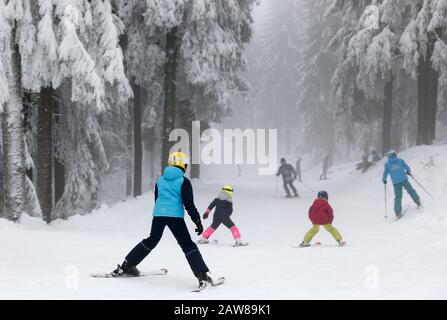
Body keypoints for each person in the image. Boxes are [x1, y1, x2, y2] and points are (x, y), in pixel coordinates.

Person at [112, 152, 214, 287]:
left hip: (159, 215)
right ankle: (201, 274)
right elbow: (189, 204)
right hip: (175, 217)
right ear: (183, 165)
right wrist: (197, 222)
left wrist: (161, 211)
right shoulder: (184, 181)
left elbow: (157, 199)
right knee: (187, 244)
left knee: (151, 240)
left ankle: (127, 265)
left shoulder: (160, 180)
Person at [382, 149, 421, 218]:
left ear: (389, 156)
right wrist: (408, 172)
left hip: (396, 183)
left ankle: (397, 212)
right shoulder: (400, 161)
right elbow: (407, 167)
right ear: (394, 154)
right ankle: (417, 200)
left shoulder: (387, 164)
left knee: (398, 197)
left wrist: (384, 179)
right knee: (410, 190)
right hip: (404, 180)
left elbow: (385, 173)